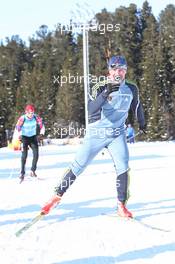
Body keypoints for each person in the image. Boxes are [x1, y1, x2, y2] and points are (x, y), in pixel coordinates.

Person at [41, 55, 146, 218]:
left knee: (123, 165)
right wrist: (105, 93)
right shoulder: (99, 86)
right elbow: (91, 109)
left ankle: (121, 205)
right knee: (78, 166)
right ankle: (56, 196)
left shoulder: (132, 88)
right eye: (115, 69)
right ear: (109, 71)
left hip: (117, 134)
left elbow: (137, 106)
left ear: (125, 71)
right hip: (96, 133)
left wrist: (142, 122)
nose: (118, 73)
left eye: (122, 70)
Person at [15, 104, 45, 182]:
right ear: (26, 112)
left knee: (36, 154)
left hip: (32, 137)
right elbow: (17, 128)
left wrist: (41, 134)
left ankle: (32, 171)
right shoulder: (22, 118)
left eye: (32, 112)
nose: (31, 114)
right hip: (24, 138)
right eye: (29, 113)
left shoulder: (36, 117)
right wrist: (19, 136)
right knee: (24, 156)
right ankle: (22, 173)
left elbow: (42, 126)